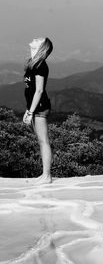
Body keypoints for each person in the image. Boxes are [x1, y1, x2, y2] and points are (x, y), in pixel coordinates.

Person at [23, 37, 53, 184]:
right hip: (35, 107)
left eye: (39, 39)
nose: (35, 38)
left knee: (43, 141)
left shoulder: (40, 65)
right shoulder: (33, 62)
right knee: (41, 141)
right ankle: (44, 175)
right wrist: (28, 109)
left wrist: (30, 112)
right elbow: (31, 89)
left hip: (40, 108)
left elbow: (39, 90)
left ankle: (47, 176)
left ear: (42, 46)